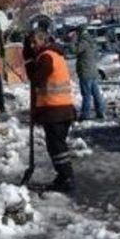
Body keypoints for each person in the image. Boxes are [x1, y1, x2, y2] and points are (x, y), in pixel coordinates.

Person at [30, 30, 76, 192]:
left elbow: (37, 80)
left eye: (34, 42)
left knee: (56, 147)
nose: (32, 45)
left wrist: (30, 63)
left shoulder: (46, 57)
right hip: (63, 109)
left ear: (43, 41)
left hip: (55, 110)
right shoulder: (56, 55)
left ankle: (66, 178)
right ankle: (64, 175)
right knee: (58, 146)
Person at [74, 27, 106, 121]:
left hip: (85, 71)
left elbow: (74, 50)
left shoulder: (83, 42)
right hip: (93, 71)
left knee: (86, 94)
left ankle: (85, 114)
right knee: (96, 93)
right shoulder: (92, 41)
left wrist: (72, 41)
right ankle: (100, 111)